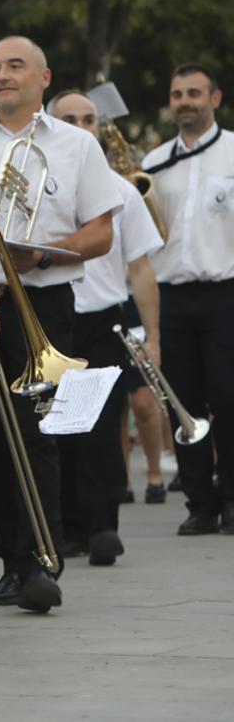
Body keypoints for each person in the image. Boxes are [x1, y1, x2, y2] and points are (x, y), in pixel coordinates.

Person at [0, 37, 121, 611]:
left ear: (43, 78)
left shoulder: (77, 146)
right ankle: (11, 563)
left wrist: (44, 252)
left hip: (46, 300)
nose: (2, 76)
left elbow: (101, 233)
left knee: (39, 436)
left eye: (15, 66)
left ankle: (42, 559)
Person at [48, 89, 164, 564]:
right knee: (55, 428)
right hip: (50, 316)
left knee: (100, 425)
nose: (81, 127)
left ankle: (101, 527)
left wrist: (153, 336)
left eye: (89, 119)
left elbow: (140, 269)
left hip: (102, 321)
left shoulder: (120, 191)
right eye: (69, 118)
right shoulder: (39, 184)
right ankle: (64, 528)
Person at [141, 63, 234, 535]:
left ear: (214, 99)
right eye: (177, 94)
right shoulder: (154, 162)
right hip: (171, 296)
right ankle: (200, 504)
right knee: (183, 404)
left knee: (230, 396)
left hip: (225, 293)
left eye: (194, 93)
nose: (185, 102)